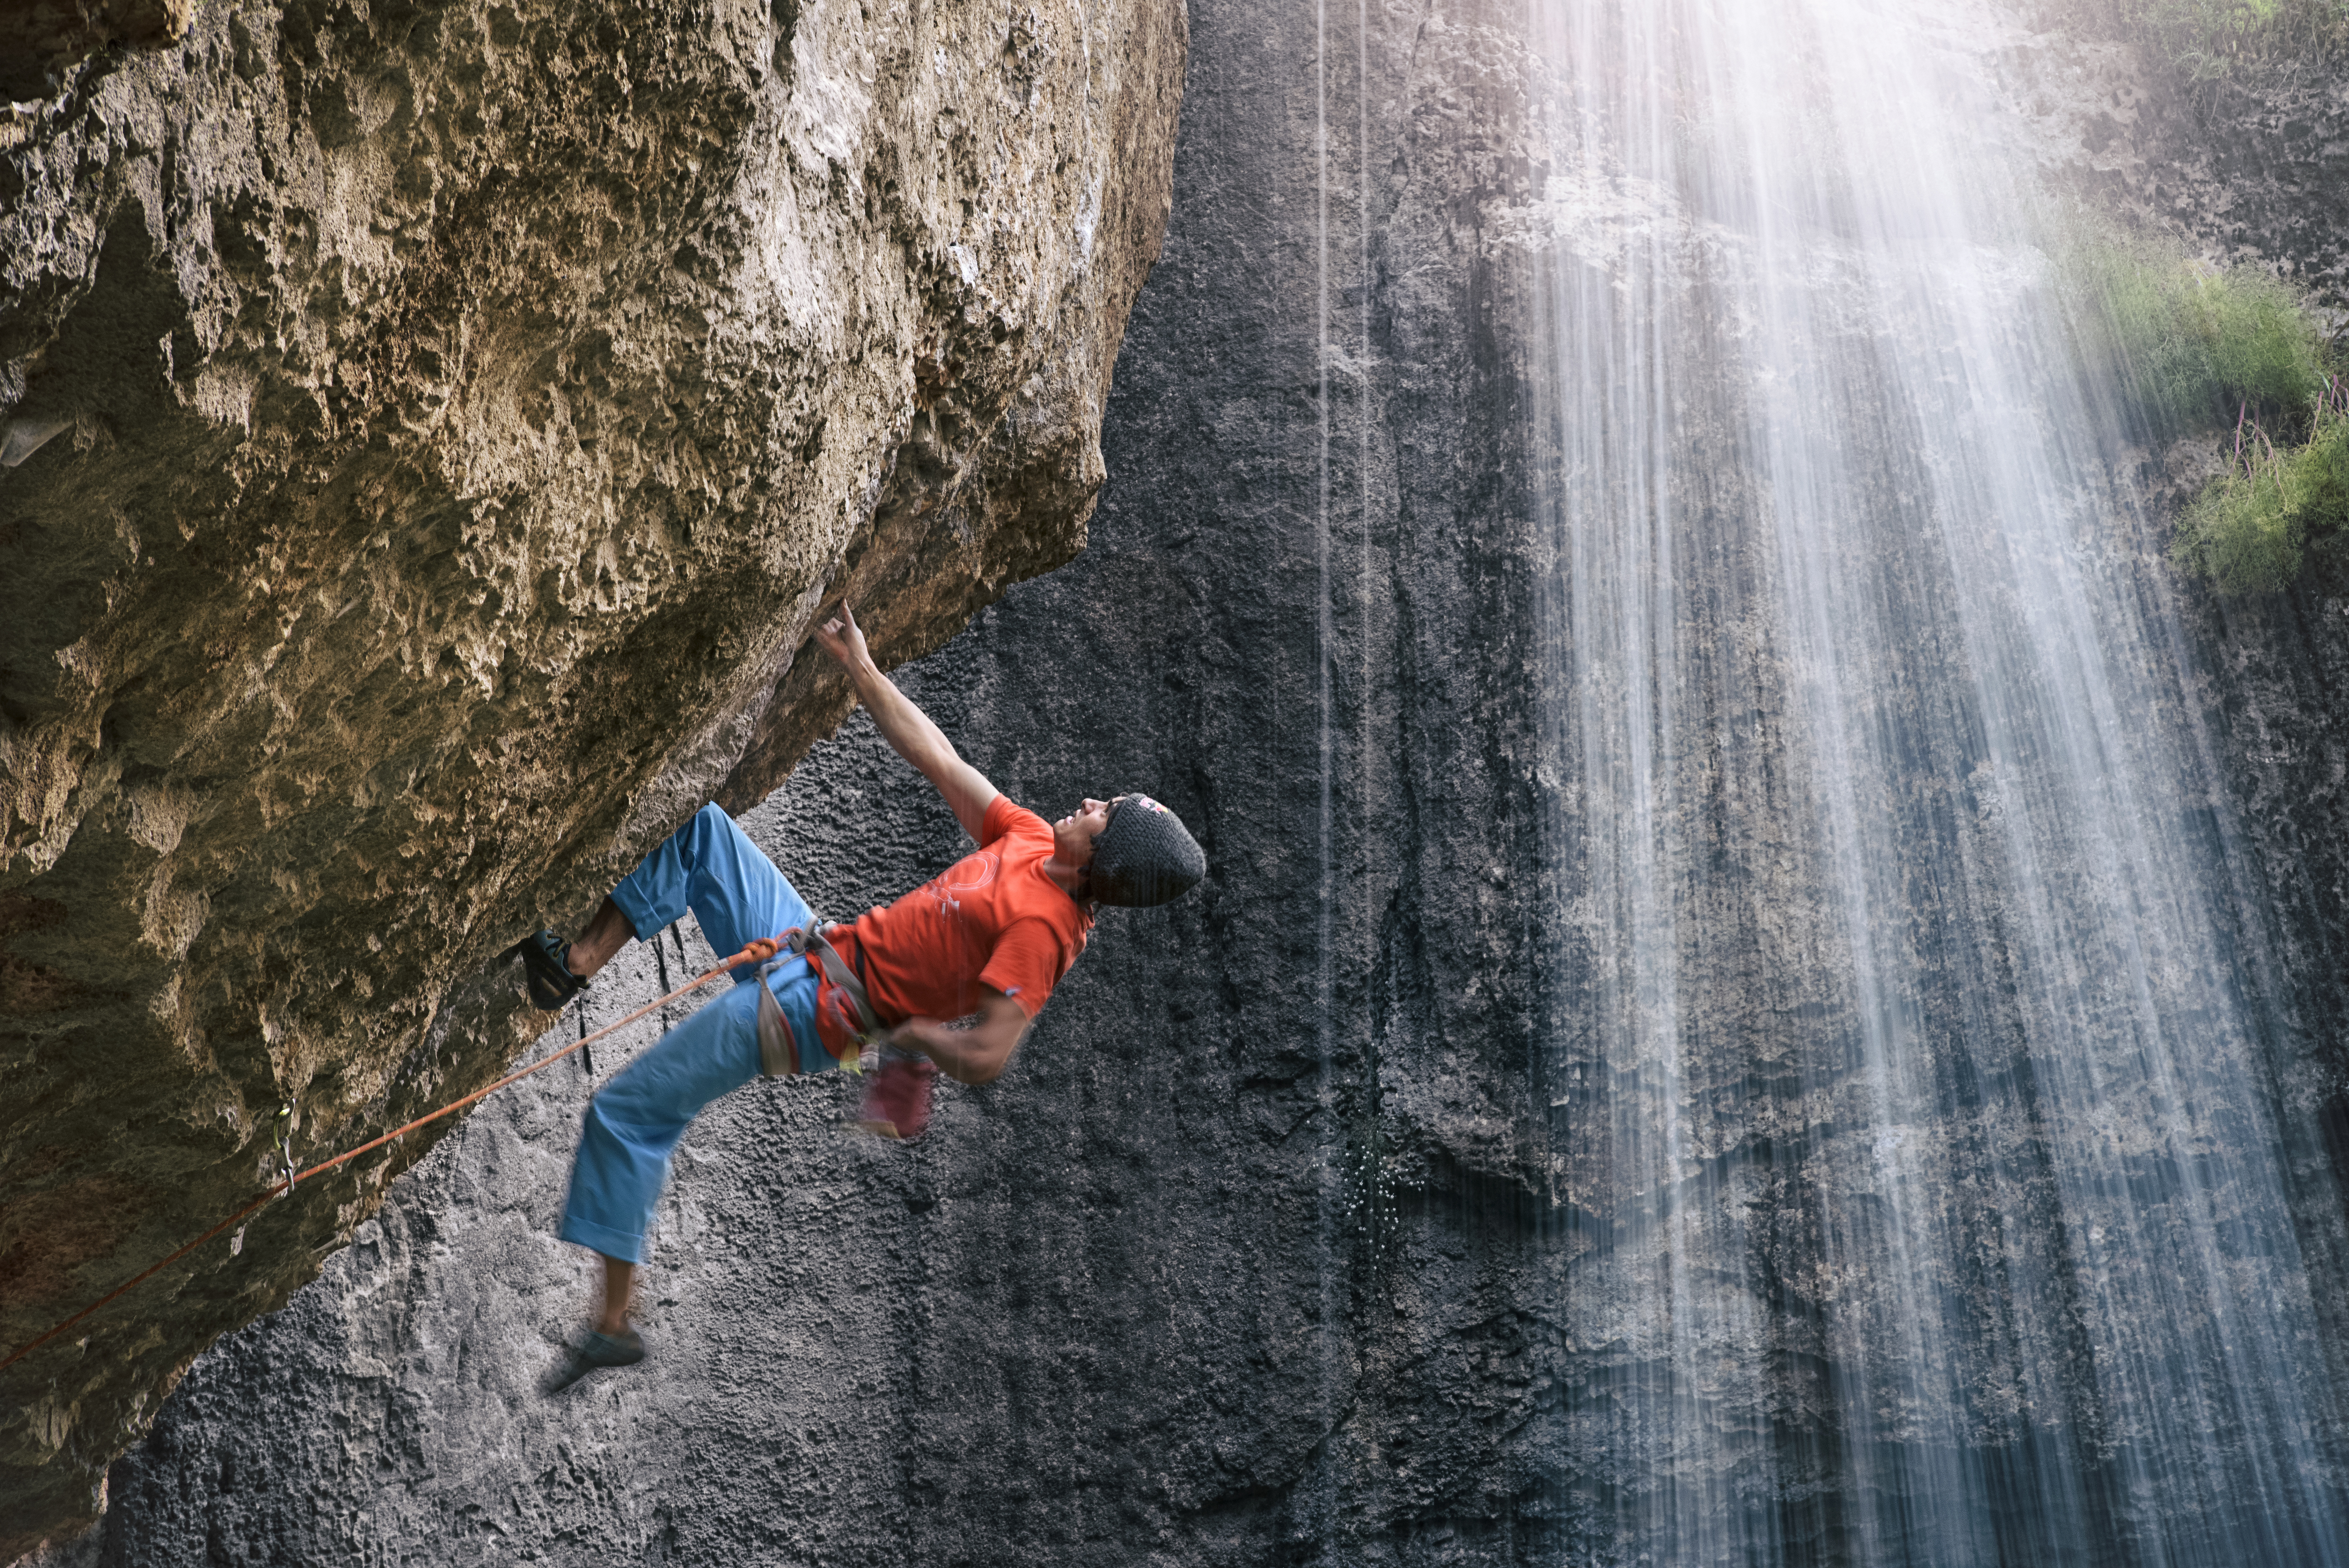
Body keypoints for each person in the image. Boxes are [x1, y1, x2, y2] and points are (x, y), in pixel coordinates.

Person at [511, 603, 1206, 1389]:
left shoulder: (1045, 930)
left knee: (627, 1111)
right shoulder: (1033, 843)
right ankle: (574, 962)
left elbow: (985, 1054)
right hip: (817, 948)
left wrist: (910, 1029)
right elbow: (940, 758)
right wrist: (863, 668)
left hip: (821, 1013)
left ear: (1104, 861)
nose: (1089, 802)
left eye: (1104, 814)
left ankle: (612, 1324)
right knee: (700, 832)